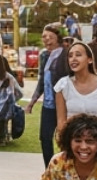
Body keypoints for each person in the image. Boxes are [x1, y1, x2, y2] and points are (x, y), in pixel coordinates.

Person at [25, 24, 69, 168]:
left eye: (51, 36)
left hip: (63, 104)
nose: (47, 39)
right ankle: (49, 172)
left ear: (58, 38)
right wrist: (32, 102)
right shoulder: (44, 55)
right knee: (45, 138)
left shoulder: (65, 54)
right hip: (48, 105)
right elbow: (43, 80)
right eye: (44, 36)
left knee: (65, 138)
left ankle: (66, 171)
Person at [53, 41, 97, 134]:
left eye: (78, 55)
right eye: (70, 56)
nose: (73, 59)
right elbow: (61, 123)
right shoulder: (62, 85)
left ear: (90, 59)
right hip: (72, 142)